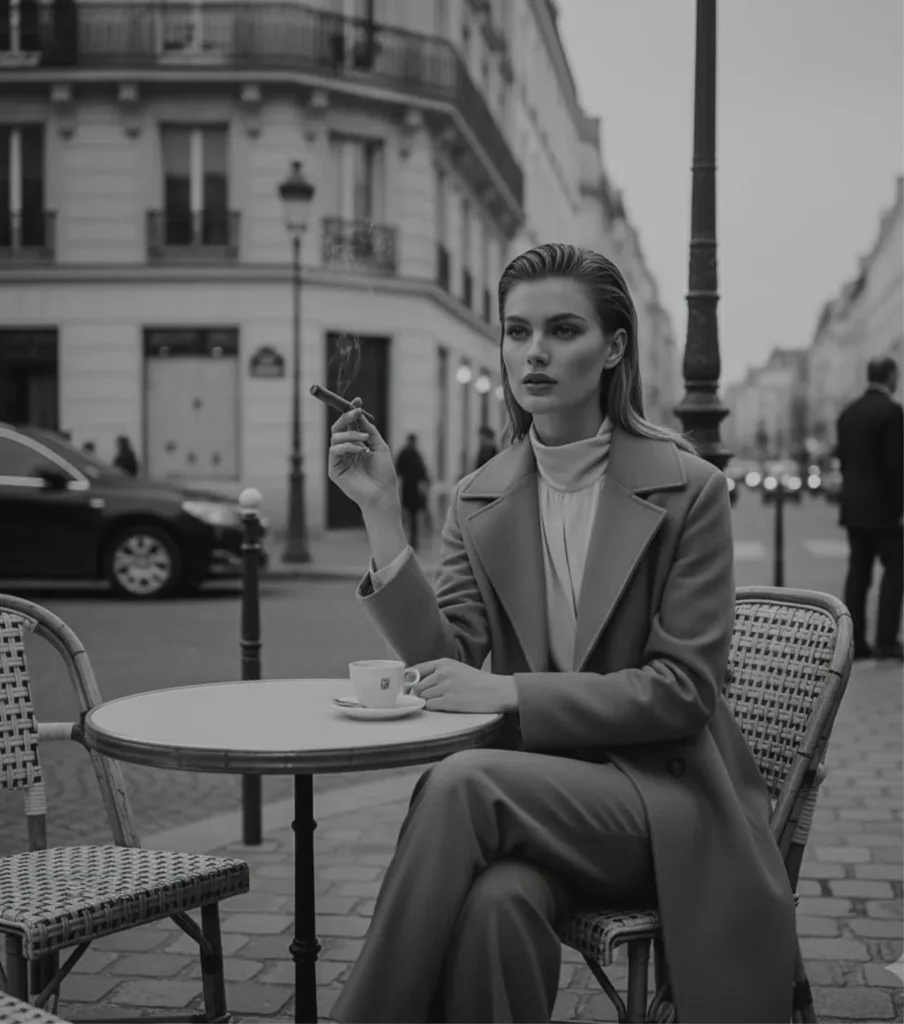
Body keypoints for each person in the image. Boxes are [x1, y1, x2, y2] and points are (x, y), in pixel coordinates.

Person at [326, 243, 796, 1024]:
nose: (533, 352)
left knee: (462, 781)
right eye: (516, 332)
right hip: (538, 802)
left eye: (562, 330)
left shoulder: (691, 491)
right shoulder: (478, 497)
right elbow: (443, 664)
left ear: (613, 347)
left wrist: (510, 690)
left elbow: (681, 694)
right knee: (494, 907)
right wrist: (381, 512)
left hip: (662, 803)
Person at [835, 356, 903, 660]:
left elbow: (845, 460)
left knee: (858, 575)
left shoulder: (848, 414)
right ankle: (886, 641)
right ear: (890, 376)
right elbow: (895, 466)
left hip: (854, 509)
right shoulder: (891, 412)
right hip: (885, 512)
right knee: (896, 571)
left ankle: (856, 643)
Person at [393, 433, 429, 551]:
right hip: (411, 489)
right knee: (409, 516)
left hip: (410, 489)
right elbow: (422, 472)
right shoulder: (413, 454)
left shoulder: (408, 454)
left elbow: (398, 469)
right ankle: (407, 542)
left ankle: (406, 542)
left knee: (409, 516)